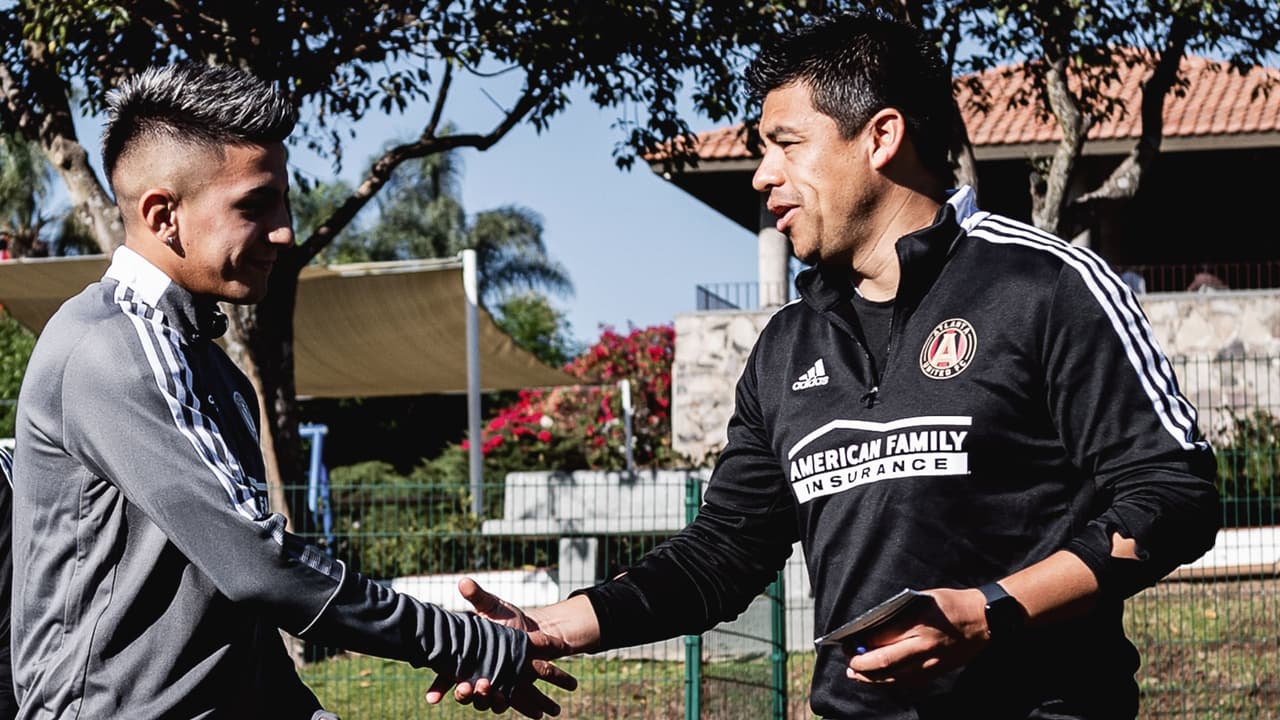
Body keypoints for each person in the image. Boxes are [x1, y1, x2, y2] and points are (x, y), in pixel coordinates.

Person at [454, 12, 1221, 720]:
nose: (761, 175)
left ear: (880, 137)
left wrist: (992, 609)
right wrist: (548, 628)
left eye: (785, 144)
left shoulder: (1043, 285)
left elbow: (1175, 494)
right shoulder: (785, 347)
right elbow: (722, 552)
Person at [9, 63, 571, 720]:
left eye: (284, 201)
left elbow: (234, 614)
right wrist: (463, 641)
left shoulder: (210, 369)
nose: (286, 230)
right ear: (164, 214)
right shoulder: (109, 349)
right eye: (255, 204)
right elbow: (262, 567)